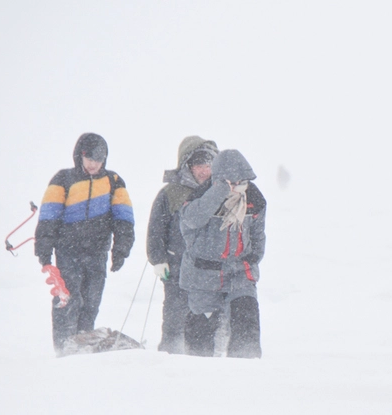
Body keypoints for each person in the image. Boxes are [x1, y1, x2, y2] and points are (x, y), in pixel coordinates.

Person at [34, 132, 135, 356]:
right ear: (80, 157)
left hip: (97, 252)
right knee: (67, 300)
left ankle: (82, 346)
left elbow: (123, 219)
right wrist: (44, 248)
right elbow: (49, 215)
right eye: (90, 160)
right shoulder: (63, 179)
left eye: (98, 161)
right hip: (68, 251)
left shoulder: (113, 181)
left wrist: (121, 249)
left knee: (91, 302)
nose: (93, 165)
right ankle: (63, 349)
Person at [179, 149, 266, 358]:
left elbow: (258, 233)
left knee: (246, 320)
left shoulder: (254, 198)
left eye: (240, 181)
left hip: (239, 272)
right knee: (201, 332)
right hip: (203, 275)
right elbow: (192, 220)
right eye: (230, 182)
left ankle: (247, 367)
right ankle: (196, 375)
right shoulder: (200, 197)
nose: (236, 186)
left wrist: (254, 257)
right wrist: (217, 193)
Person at [147, 136, 218, 355]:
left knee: (208, 317)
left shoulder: (219, 193)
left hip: (209, 270)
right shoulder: (170, 194)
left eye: (209, 165)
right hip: (177, 266)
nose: (204, 171)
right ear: (187, 165)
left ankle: (205, 357)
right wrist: (158, 260)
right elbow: (156, 230)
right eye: (199, 165)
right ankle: (170, 354)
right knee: (175, 314)